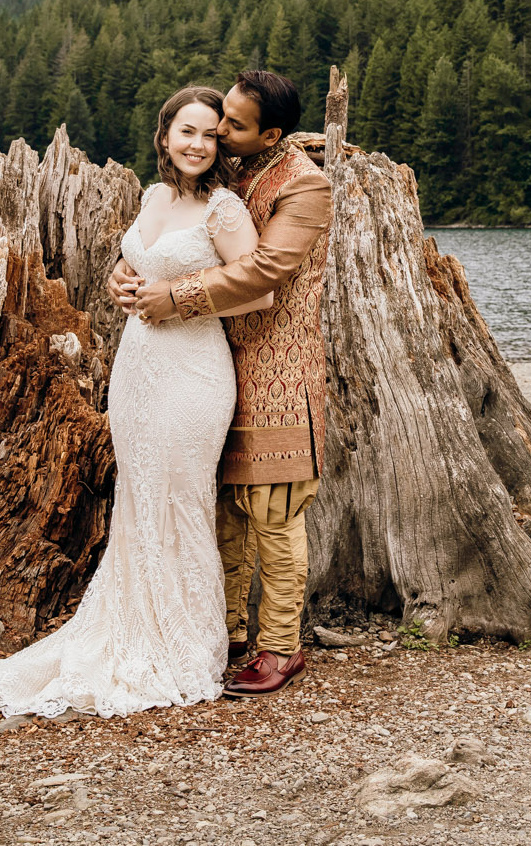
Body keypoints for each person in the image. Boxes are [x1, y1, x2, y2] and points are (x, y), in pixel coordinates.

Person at [0, 85, 273, 718]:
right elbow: (135, 259)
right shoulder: (154, 197)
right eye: (187, 132)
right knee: (139, 498)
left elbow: (257, 293)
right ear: (164, 136)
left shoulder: (225, 209)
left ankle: (188, 644)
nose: (198, 144)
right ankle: (129, 625)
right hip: (138, 364)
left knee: (180, 498)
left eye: (210, 134)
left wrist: (177, 293)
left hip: (193, 369)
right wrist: (123, 277)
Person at [113, 69, 333, 698]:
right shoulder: (230, 169)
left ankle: (281, 647)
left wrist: (175, 298)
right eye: (217, 122)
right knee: (224, 512)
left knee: (276, 511)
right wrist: (122, 275)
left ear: (272, 134)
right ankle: (227, 627)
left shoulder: (306, 186)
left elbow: (265, 269)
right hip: (210, 360)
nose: (220, 133)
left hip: (277, 367)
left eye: (233, 125)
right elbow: (176, 236)